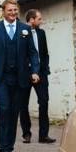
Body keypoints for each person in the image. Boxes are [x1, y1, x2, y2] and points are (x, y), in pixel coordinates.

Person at [0, 0, 40, 152]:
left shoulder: (25, 29)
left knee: (14, 112)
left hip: (20, 78)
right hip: (1, 78)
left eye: (15, 10)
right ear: (3, 11)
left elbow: (33, 53)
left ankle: (10, 148)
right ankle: (2, 150)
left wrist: (35, 71)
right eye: (10, 10)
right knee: (4, 109)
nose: (13, 13)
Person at [20, 9, 55, 144]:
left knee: (44, 102)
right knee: (23, 104)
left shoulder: (41, 33)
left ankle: (43, 135)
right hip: (25, 73)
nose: (42, 21)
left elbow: (45, 53)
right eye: (39, 19)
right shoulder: (21, 33)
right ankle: (26, 133)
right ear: (31, 20)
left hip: (41, 73)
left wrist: (44, 69)